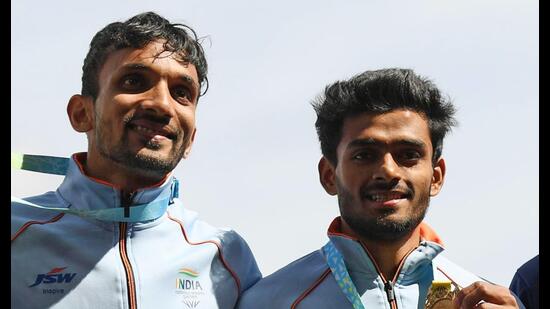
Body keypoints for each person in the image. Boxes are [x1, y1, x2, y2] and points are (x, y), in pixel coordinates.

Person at [11, 12, 261, 308]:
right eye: (134, 81)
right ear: (82, 114)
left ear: (190, 139)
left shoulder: (226, 256)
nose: (161, 105)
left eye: (182, 93)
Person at [238, 68, 522, 308]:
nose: (388, 170)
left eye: (408, 154)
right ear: (329, 175)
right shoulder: (266, 302)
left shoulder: (484, 300)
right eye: (364, 155)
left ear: (436, 176)